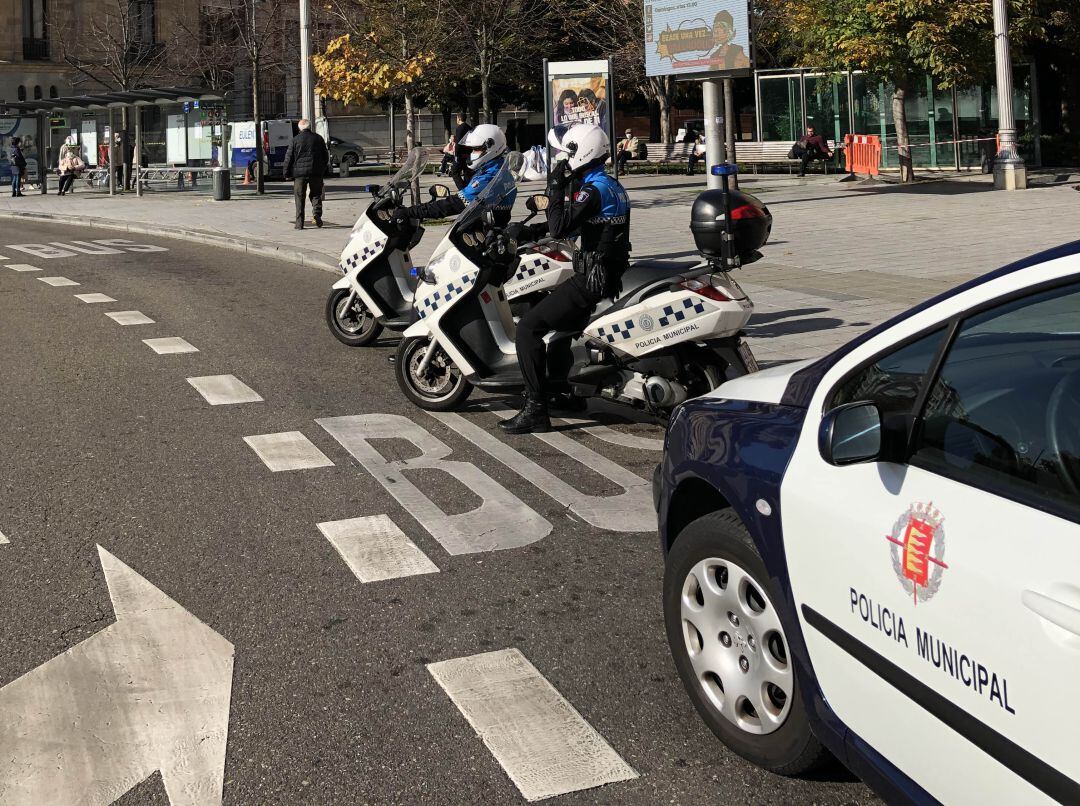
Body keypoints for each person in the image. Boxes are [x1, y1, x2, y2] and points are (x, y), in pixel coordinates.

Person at [501, 124, 631, 435]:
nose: (561, 159)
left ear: (581, 151)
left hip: (592, 279)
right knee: (555, 320)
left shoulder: (593, 190)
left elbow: (559, 227)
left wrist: (556, 186)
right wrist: (528, 232)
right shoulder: (607, 184)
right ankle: (560, 390)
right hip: (605, 272)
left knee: (530, 328)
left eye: (565, 153)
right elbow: (574, 226)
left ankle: (535, 408)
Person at [391, 123, 515, 226]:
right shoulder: (499, 169)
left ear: (491, 148)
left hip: (486, 237)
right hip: (486, 232)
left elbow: (453, 205)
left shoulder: (491, 176)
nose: (472, 153)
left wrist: (411, 212)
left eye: (476, 149)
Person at [282, 118, 330, 230]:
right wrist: (321, 170)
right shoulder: (318, 138)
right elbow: (325, 156)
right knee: (316, 194)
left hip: (299, 174)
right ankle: (317, 214)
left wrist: (286, 173)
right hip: (315, 173)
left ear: (299, 128)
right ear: (309, 127)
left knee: (299, 197)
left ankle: (299, 224)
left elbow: (288, 158)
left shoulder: (295, 140)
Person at [452, 114, 473, 190]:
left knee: (454, 172)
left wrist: (456, 154)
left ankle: (462, 189)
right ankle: (467, 188)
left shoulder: (460, 128)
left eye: (457, 118)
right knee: (467, 172)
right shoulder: (469, 128)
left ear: (459, 118)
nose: (456, 120)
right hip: (468, 153)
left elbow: (458, 142)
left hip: (460, 154)